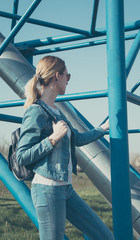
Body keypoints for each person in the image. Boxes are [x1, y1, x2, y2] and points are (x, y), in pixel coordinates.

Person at [16, 55, 114, 240]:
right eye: (67, 76)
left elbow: (76, 139)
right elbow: (21, 156)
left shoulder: (57, 111)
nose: (68, 81)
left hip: (66, 188)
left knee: (104, 236)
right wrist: (52, 139)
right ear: (57, 76)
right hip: (47, 189)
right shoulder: (36, 111)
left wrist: (102, 129)